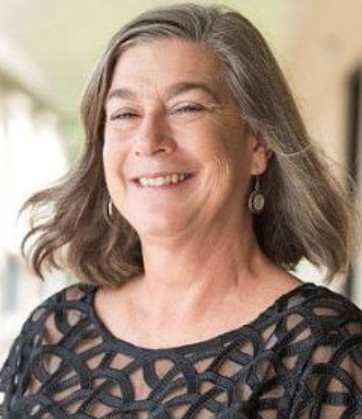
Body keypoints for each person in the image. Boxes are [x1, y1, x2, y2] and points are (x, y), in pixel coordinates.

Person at [1, 3, 361, 418]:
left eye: (187, 107)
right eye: (124, 114)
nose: (149, 139)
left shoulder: (325, 351)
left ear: (259, 143)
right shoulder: (52, 333)